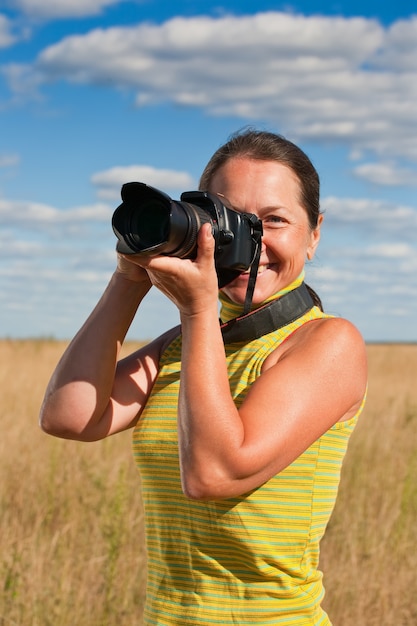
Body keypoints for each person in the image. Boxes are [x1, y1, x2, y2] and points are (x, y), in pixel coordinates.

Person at [40, 129, 367, 625]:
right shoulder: (187, 346)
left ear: (314, 233)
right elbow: (69, 416)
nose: (248, 241)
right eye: (229, 221)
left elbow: (214, 474)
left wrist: (196, 311)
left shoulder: (327, 343)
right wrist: (129, 278)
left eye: (273, 221)